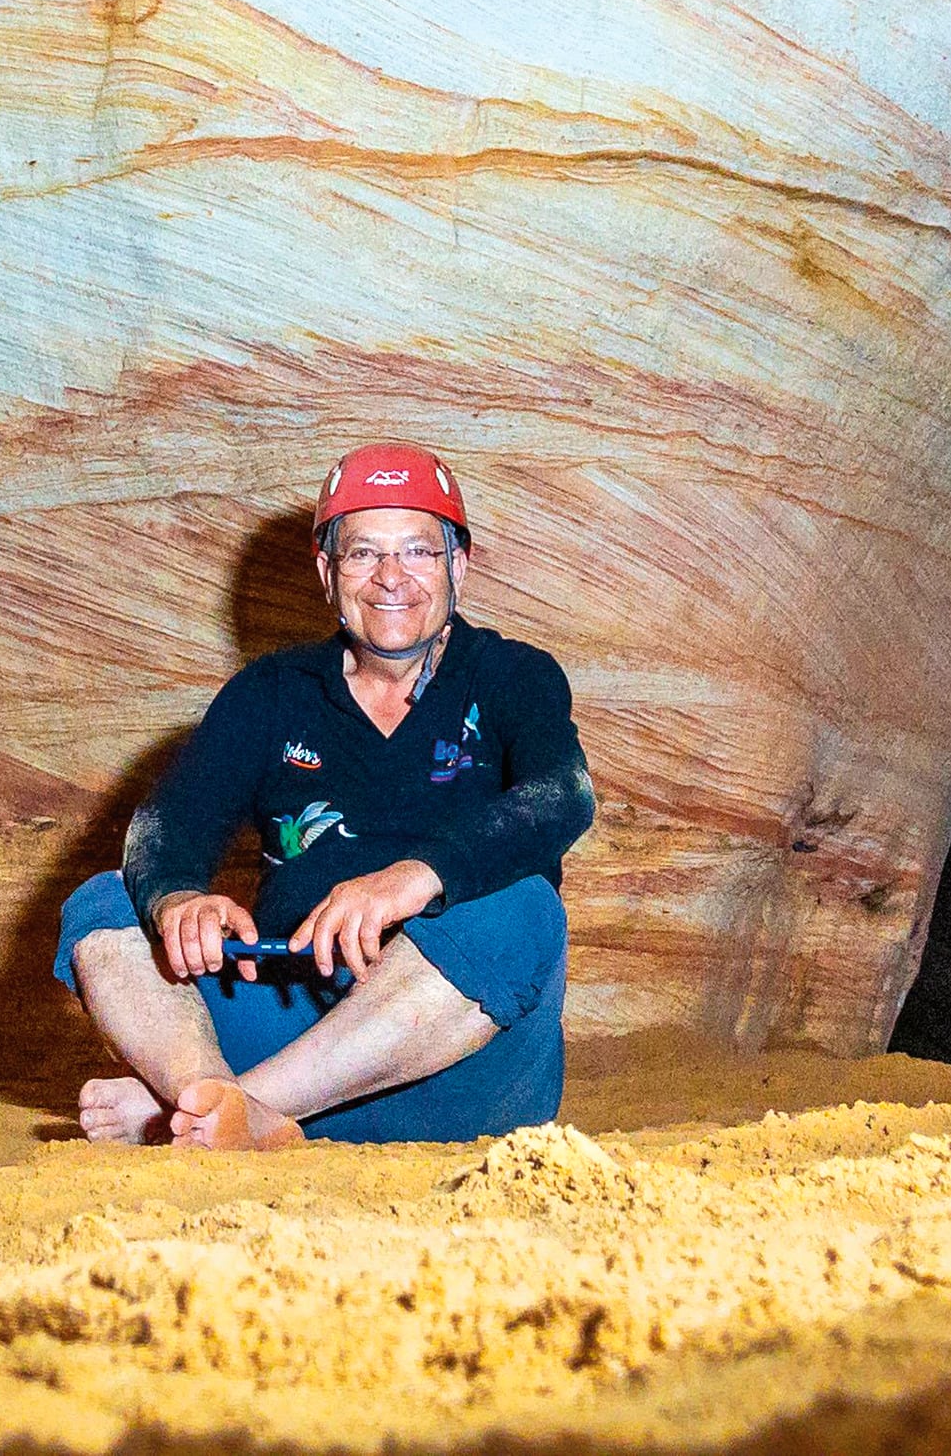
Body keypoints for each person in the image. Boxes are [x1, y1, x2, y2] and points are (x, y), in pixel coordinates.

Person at [52, 442, 596, 1147]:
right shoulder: (270, 692)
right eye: (364, 553)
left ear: (458, 565)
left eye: (419, 553)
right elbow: (167, 823)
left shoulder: (514, 676)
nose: (391, 577)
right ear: (326, 571)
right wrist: (179, 898)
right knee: (103, 901)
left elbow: (564, 794)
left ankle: (212, 1106)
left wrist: (412, 878)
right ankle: (227, 1102)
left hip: (459, 1046)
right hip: (292, 1012)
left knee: (526, 910)